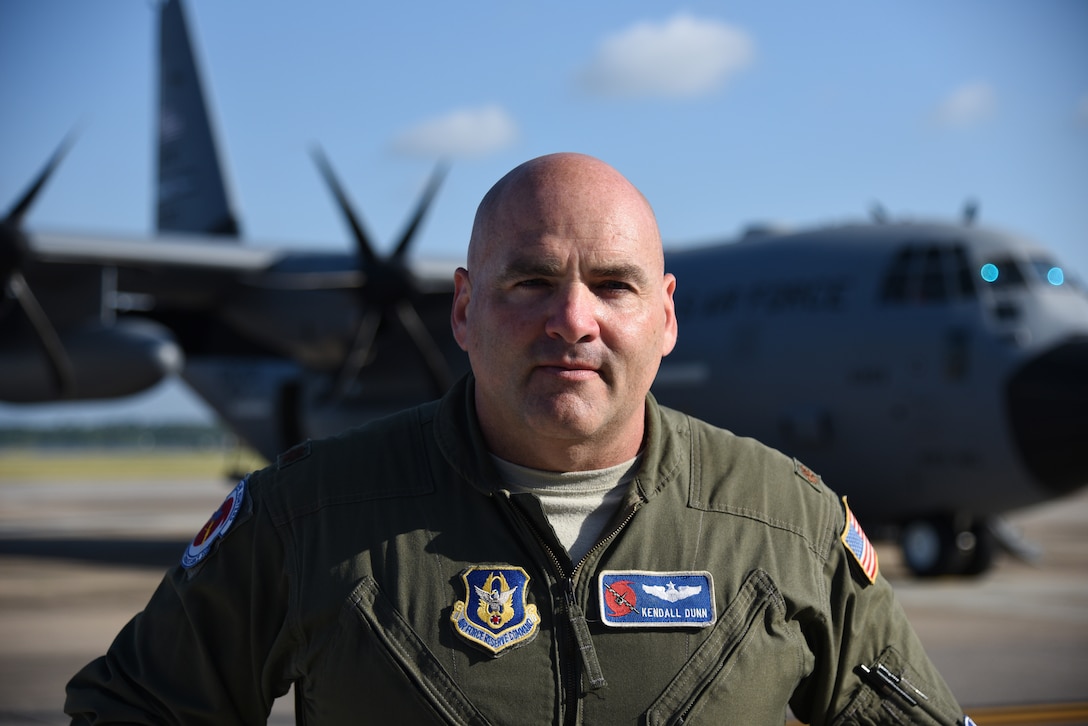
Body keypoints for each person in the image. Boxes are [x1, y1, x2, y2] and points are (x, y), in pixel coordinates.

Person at [66, 153, 974, 725]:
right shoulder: (304, 514)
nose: (572, 320)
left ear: (665, 317)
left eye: (614, 286)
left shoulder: (789, 524)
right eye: (529, 282)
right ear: (462, 310)